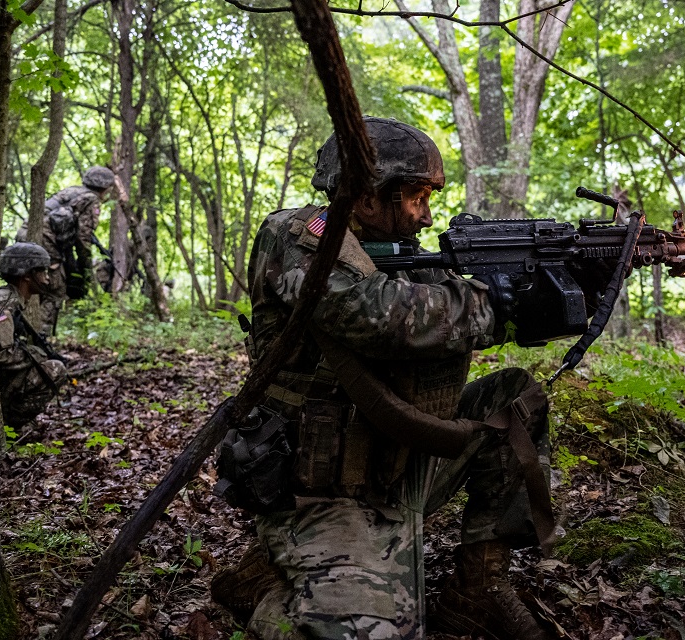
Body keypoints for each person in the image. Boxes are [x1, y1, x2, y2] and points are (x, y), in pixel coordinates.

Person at [211, 117, 570, 640]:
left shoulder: (408, 256)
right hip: (324, 491)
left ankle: (478, 589)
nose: (426, 215)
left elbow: (453, 309)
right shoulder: (298, 236)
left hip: (401, 464)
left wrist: (553, 288)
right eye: (416, 196)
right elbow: (372, 313)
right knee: (372, 631)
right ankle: (272, 590)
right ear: (365, 197)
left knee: (513, 400)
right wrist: (496, 306)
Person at [16, 165, 116, 335]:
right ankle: (40, 339)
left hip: (24, 236)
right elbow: (83, 237)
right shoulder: (91, 199)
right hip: (45, 242)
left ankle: (21, 334)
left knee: (28, 287)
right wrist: (84, 267)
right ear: (106, 187)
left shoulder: (72, 192)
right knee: (54, 290)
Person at [0, 242, 68, 429]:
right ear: (27, 276)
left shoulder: (9, 299)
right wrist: (37, 355)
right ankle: (5, 427)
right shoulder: (4, 302)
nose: (47, 279)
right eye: (42, 272)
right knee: (55, 370)